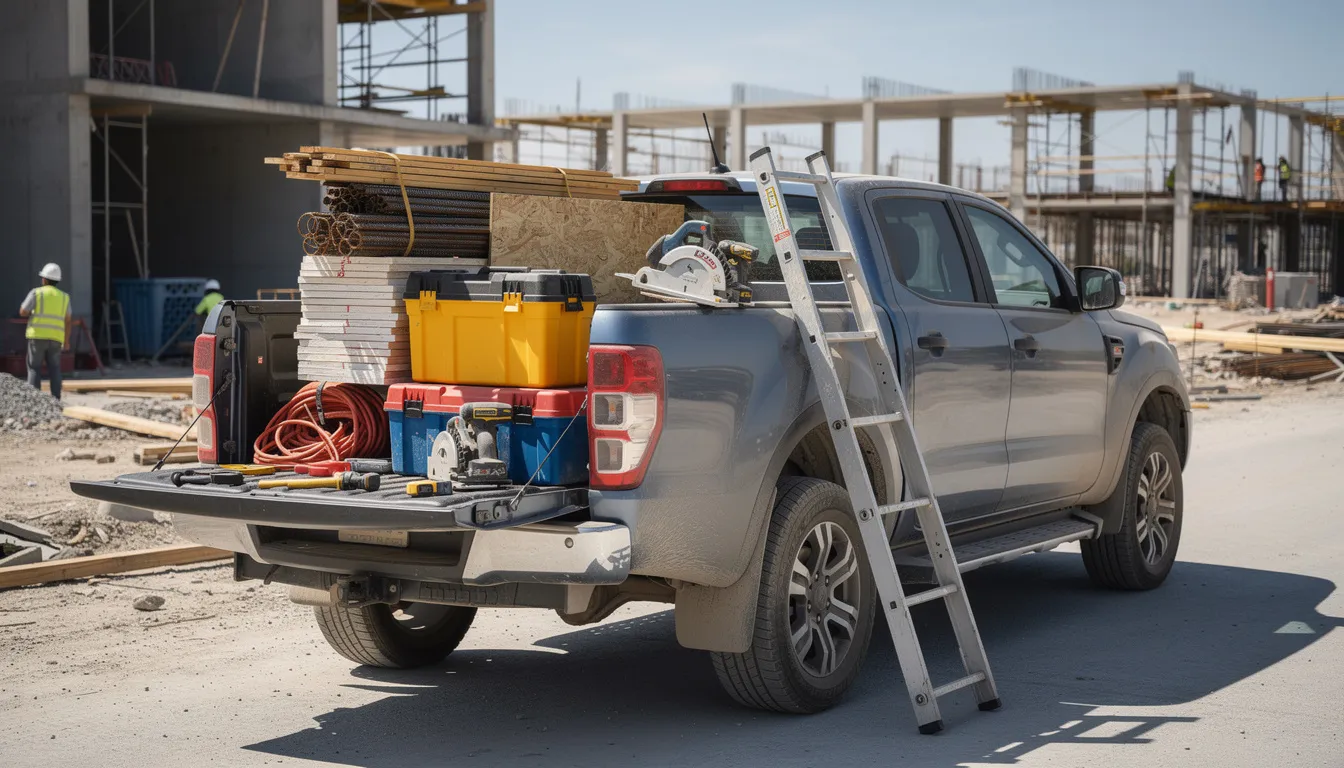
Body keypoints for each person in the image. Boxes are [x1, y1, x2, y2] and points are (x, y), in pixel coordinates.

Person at [18, 263, 71, 400]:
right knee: (55, 369)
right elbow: (68, 320)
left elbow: (23, 311)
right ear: (58, 280)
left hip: (37, 336)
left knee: (34, 368)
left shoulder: (37, 293)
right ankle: (56, 399)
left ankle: (34, 400)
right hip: (56, 338)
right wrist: (66, 341)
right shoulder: (65, 297)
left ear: (44, 279)